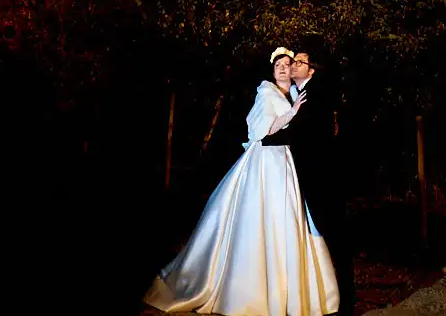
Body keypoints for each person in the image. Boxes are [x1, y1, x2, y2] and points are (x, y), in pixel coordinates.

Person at [145, 48, 340, 315]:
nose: (284, 68)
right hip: (265, 163)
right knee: (260, 218)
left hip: (285, 163)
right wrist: (292, 113)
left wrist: (295, 111)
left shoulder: (295, 94)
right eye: (278, 65)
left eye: (288, 64)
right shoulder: (266, 93)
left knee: (286, 221)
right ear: (272, 72)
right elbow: (263, 131)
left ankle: (287, 288)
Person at [261, 45, 353, 316]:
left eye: (300, 62)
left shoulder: (316, 94)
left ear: (311, 70)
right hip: (312, 174)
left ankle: (346, 298)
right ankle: (329, 293)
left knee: (333, 234)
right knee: (322, 234)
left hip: (322, 177)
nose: (294, 66)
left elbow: (301, 134)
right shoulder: (303, 93)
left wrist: (266, 139)